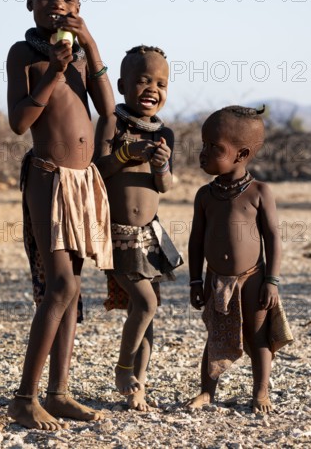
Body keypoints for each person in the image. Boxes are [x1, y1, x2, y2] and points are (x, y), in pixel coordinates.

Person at [6, 0, 115, 430]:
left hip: (82, 180)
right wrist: (53, 71)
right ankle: (25, 397)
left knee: (72, 290)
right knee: (61, 286)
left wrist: (90, 45)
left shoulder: (83, 56)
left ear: (80, 6)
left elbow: (108, 109)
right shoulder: (24, 55)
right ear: (31, 3)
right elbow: (19, 123)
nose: (58, 6)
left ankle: (59, 391)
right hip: (49, 177)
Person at [187, 105, 293, 413]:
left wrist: (271, 281)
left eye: (214, 147)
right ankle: (207, 391)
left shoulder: (259, 192)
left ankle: (260, 392)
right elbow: (196, 240)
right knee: (216, 336)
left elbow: (272, 237)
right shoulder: (205, 196)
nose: (203, 153)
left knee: (257, 336)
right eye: (203, 144)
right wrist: (196, 279)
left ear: (241, 154)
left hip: (253, 277)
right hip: (216, 278)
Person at [95, 45, 183, 411]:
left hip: (150, 237)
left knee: (147, 314)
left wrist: (162, 165)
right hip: (117, 235)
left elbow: (164, 186)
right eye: (143, 80)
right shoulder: (113, 122)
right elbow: (97, 170)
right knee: (145, 303)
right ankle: (122, 369)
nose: (152, 88)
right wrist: (124, 155)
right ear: (121, 84)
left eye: (161, 82)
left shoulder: (166, 134)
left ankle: (138, 387)